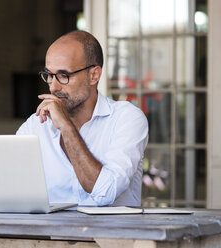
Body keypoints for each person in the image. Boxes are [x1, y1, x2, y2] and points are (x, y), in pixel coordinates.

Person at [16, 30, 148, 206]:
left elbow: (105, 193)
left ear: (94, 75)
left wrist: (66, 126)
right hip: (51, 233)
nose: (53, 87)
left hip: (109, 233)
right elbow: (11, 190)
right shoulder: (35, 125)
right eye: (49, 75)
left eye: (64, 76)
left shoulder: (127, 119)